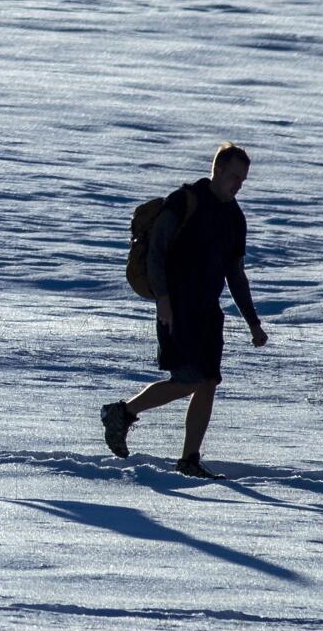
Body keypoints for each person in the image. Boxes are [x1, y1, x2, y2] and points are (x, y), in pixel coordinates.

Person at [102, 144, 267, 478]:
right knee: (188, 380)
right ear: (217, 170)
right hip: (177, 308)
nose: (239, 184)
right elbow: (157, 253)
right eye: (234, 176)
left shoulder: (234, 217)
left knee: (207, 382)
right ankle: (121, 412)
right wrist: (163, 298)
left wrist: (253, 322)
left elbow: (235, 274)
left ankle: (189, 460)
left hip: (208, 312)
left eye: (243, 179)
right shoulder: (185, 201)